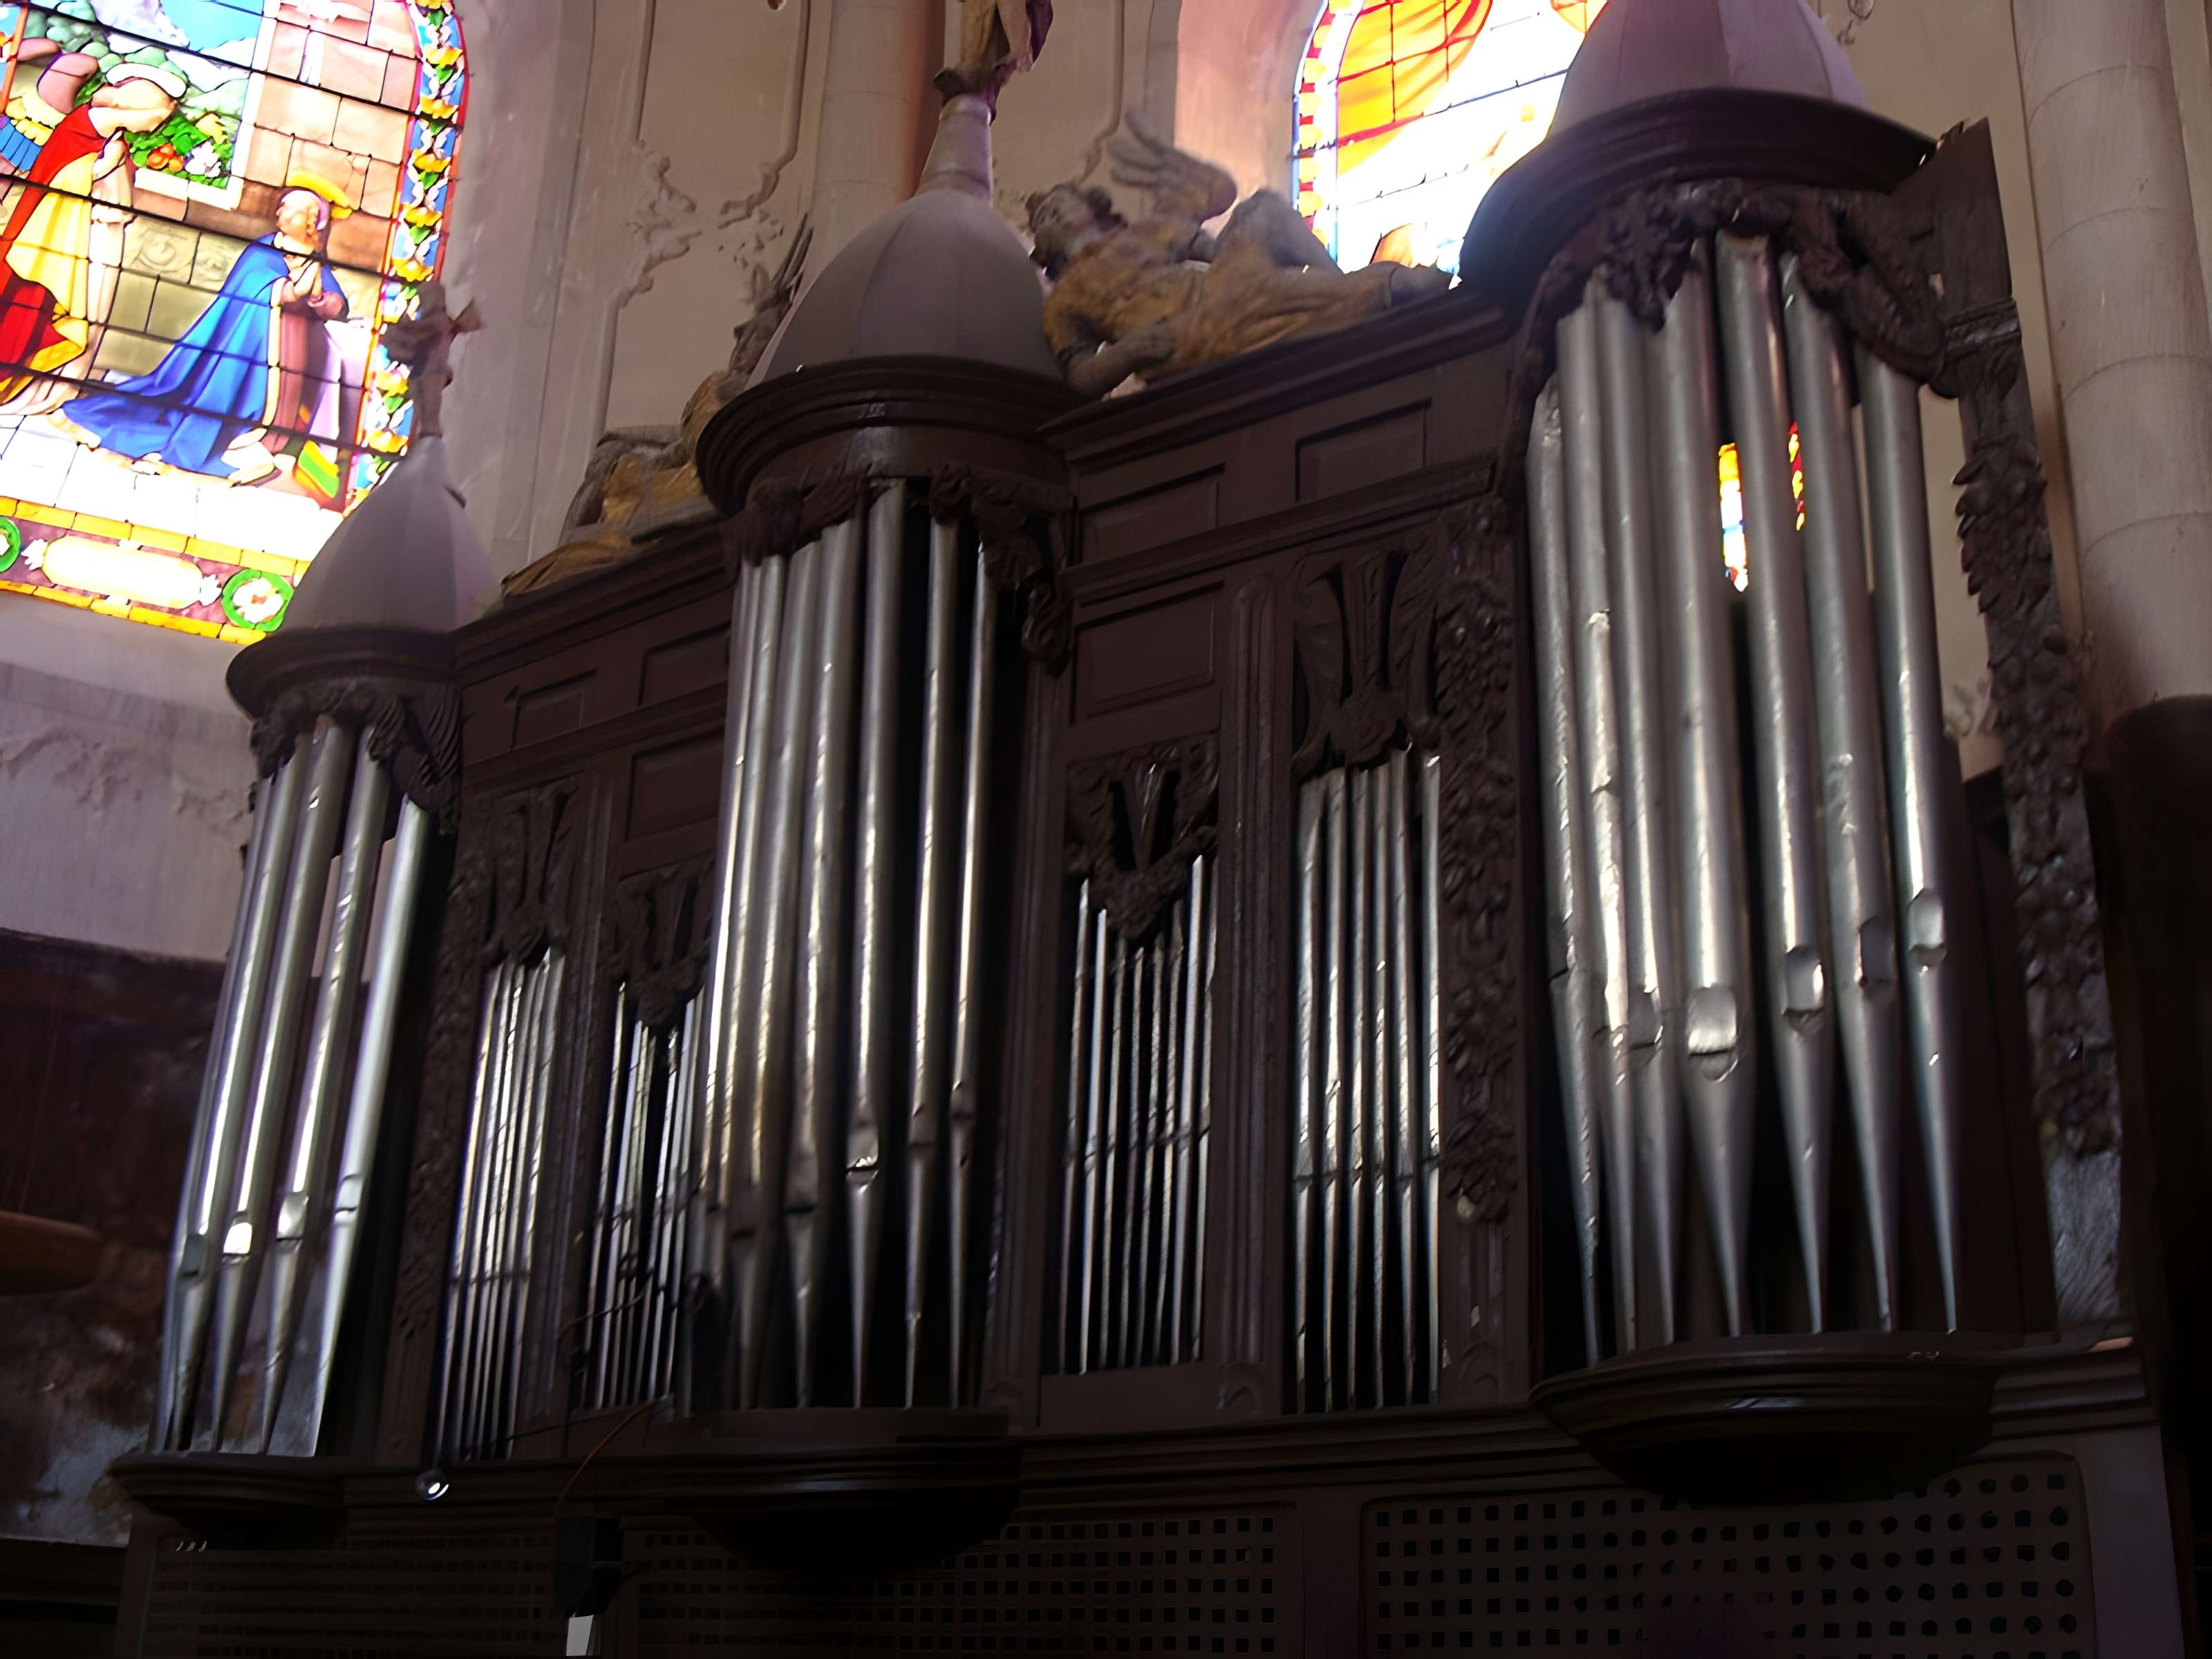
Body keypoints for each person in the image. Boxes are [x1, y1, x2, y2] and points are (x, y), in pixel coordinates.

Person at [56, 176, 355, 487]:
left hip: (286, 349)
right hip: (241, 341)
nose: (282, 213)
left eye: (292, 210)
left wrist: (325, 299)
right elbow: (252, 284)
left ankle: (268, 436)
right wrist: (283, 290)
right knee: (198, 393)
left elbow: (333, 302)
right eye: (282, 206)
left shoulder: (314, 259)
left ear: (312, 221)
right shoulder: (263, 248)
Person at [0, 63, 184, 409]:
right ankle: (33, 384)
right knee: (35, 308)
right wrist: (104, 169)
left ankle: (55, 383)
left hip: (88, 238)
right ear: (137, 106)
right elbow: (64, 180)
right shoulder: (84, 131)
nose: (153, 128)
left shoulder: (109, 137)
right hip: (59, 239)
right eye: (156, 118)